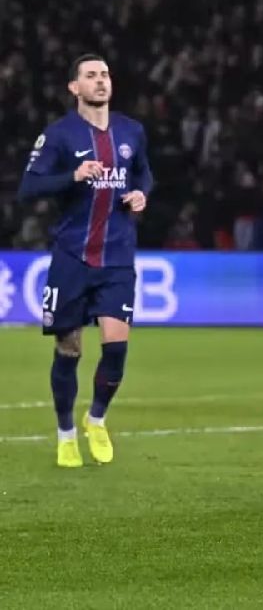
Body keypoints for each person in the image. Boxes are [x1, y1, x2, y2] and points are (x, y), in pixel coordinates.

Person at [17, 54, 153, 468]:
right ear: (74, 87)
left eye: (105, 74)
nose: (101, 81)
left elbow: (145, 174)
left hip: (117, 257)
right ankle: (66, 434)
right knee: (69, 348)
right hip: (72, 256)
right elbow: (28, 187)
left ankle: (96, 419)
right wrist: (73, 177)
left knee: (116, 348)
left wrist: (142, 193)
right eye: (91, 76)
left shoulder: (132, 131)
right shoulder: (59, 135)